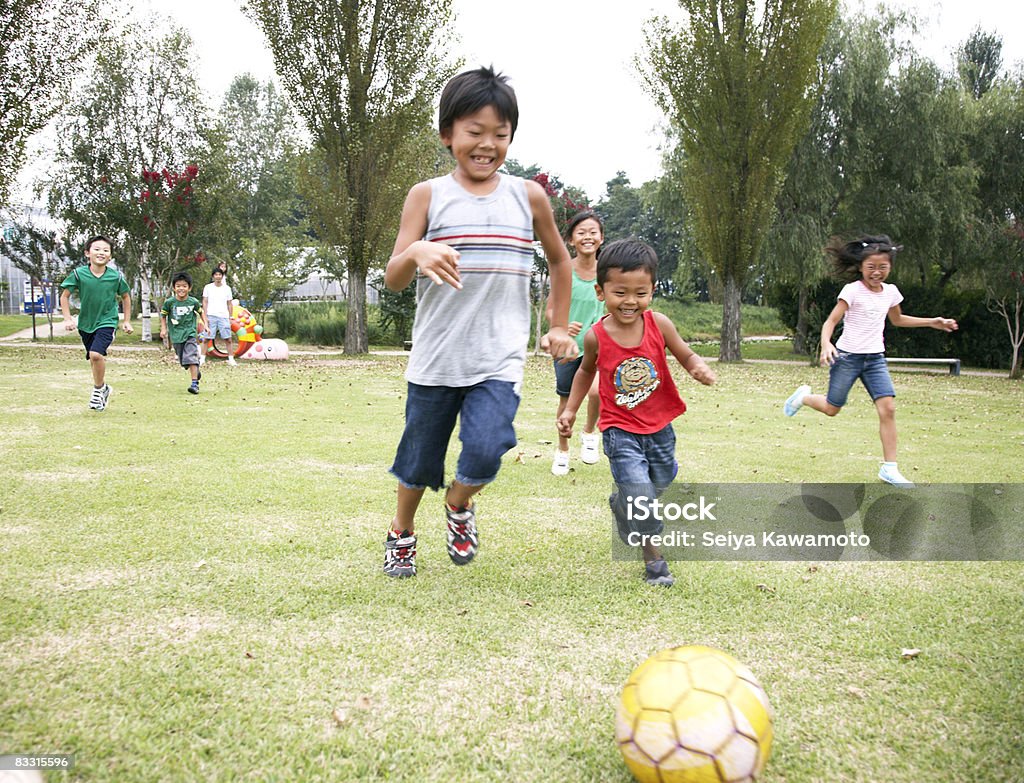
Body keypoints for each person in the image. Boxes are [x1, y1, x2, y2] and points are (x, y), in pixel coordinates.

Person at [381, 65, 578, 578]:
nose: (487, 144)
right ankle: (401, 531)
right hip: (436, 358)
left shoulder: (527, 196)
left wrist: (558, 325)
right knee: (418, 462)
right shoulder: (427, 195)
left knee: (489, 447)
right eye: (475, 132)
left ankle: (460, 504)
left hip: (499, 357)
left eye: (500, 134)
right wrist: (417, 250)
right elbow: (394, 278)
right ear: (448, 135)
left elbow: (560, 260)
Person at [557, 239, 716, 586]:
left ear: (652, 291)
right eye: (620, 292)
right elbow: (585, 372)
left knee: (659, 481)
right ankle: (654, 561)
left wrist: (698, 367)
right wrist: (571, 409)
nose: (630, 301)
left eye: (640, 293)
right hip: (619, 428)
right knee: (641, 495)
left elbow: (685, 354)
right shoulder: (596, 336)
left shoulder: (659, 324)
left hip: (660, 424)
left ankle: (621, 503)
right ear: (601, 292)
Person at [782, 235, 958, 487]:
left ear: (890, 267)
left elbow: (898, 320)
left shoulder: (891, 292)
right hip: (847, 358)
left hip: (875, 359)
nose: (877, 272)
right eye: (871, 267)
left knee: (888, 409)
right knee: (833, 408)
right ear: (861, 267)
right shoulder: (852, 291)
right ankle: (804, 397)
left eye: (883, 267)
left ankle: (889, 468)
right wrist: (826, 344)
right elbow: (831, 322)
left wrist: (933, 322)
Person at [546, 210, 606, 476]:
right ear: (571, 240)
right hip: (568, 347)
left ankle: (590, 433)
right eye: (581, 232)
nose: (588, 237)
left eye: (593, 232)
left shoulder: (608, 271)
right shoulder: (565, 270)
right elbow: (550, 309)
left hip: (600, 345)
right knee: (566, 400)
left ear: (601, 238)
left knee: (595, 392)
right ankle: (562, 450)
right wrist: (560, 327)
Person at [59, 235, 133, 411]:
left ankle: (98, 390)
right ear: (87, 253)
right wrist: (68, 318)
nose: (101, 253)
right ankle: (104, 388)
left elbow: (126, 296)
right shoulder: (78, 274)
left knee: (96, 355)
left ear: (110, 256)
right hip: (86, 323)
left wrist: (127, 321)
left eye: (106, 250)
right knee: (93, 359)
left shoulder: (116, 277)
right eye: (97, 249)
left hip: (107, 321)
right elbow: (64, 296)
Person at [160, 272, 207, 394]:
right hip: (176, 335)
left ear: (189, 288)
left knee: (191, 357)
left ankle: (194, 384)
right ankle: (195, 370)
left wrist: (206, 325)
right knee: (184, 361)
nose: (181, 288)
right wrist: (163, 329)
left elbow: (201, 312)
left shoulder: (193, 302)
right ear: (174, 288)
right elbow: (163, 316)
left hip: (190, 333)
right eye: (178, 286)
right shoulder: (169, 303)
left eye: (184, 286)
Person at [201, 267, 236, 365]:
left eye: (220, 274)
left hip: (223, 316)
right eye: (216, 274)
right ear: (213, 276)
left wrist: (230, 316)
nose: (218, 276)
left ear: (222, 276)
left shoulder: (227, 288)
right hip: (211, 315)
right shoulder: (208, 287)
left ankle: (231, 359)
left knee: (228, 338)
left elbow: (229, 303)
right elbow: (205, 301)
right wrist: (205, 315)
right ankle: (202, 358)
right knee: (206, 338)